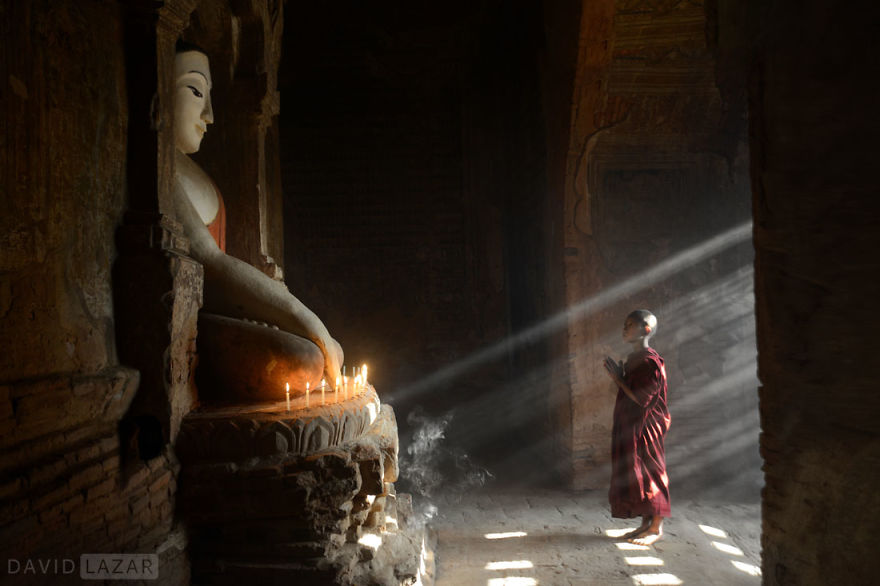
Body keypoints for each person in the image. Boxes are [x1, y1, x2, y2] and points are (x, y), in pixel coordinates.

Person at [170, 43, 343, 400]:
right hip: (188, 320)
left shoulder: (198, 176)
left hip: (227, 310)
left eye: (211, 98)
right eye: (195, 91)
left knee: (323, 351)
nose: (209, 115)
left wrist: (289, 314)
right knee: (304, 359)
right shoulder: (162, 171)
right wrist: (305, 319)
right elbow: (211, 262)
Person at [602, 309, 671, 545]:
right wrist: (621, 376)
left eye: (630, 324)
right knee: (638, 473)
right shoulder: (634, 359)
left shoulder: (651, 362)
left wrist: (618, 380)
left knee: (653, 472)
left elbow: (643, 399)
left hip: (647, 425)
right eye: (624, 324)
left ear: (646, 330)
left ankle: (655, 528)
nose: (624, 328)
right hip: (631, 424)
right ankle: (644, 524)